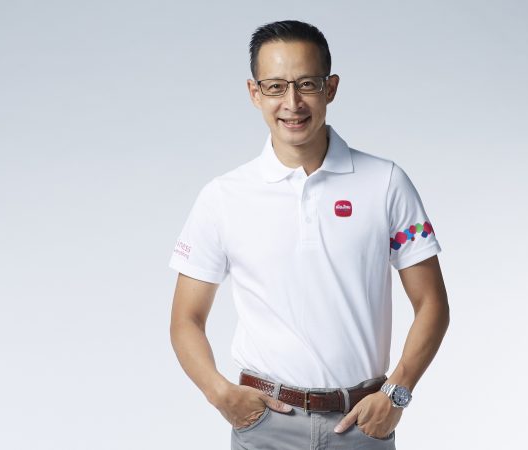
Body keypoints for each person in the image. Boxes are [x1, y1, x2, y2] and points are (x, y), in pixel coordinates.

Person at [168, 19, 449, 450]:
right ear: (254, 93)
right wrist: (220, 394)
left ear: (330, 88)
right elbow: (186, 319)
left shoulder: (386, 183)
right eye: (275, 87)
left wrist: (396, 394)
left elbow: (432, 303)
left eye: (307, 84)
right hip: (265, 427)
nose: (292, 102)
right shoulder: (223, 197)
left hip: (361, 427)